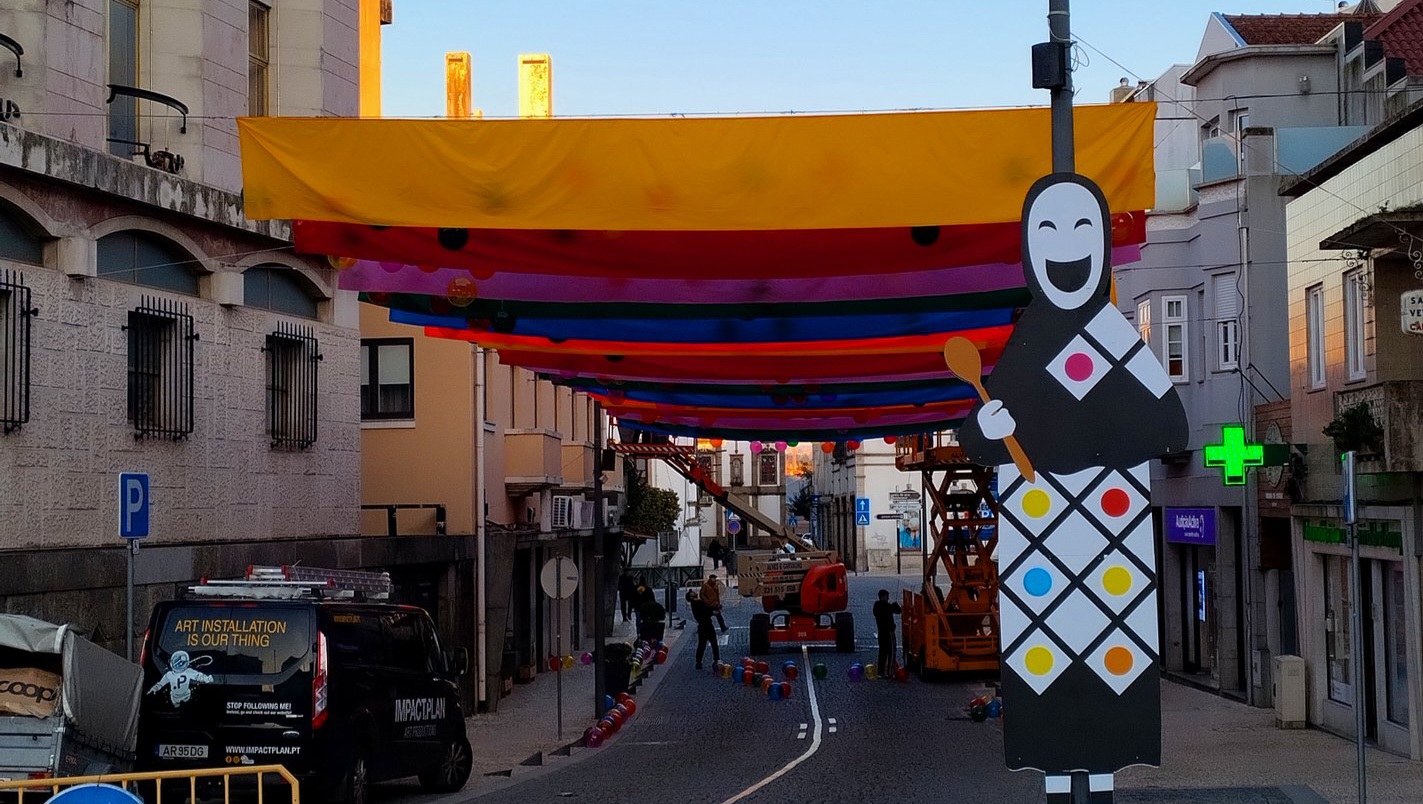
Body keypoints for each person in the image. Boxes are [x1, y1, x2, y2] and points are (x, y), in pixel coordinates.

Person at [687, 590, 720, 669]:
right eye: (693, 593)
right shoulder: (698, 603)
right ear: (691, 597)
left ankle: (699, 661)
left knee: (702, 644)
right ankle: (717, 660)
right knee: (713, 643)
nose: (695, 593)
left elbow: (707, 609)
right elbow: (706, 611)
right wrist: (713, 612)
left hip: (702, 626)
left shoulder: (695, 604)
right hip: (707, 625)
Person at [872, 589, 902, 676]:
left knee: (882, 653)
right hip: (889, 632)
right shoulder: (888, 607)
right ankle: (890, 672)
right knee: (891, 652)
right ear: (883, 597)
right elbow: (899, 611)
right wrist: (895, 605)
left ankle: (881, 673)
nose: (888, 598)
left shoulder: (876, 607)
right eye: (887, 597)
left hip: (881, 632)